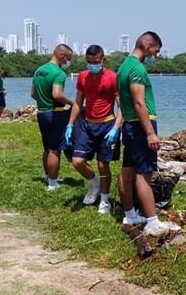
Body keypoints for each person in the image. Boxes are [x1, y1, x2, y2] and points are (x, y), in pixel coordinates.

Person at [117, 31, 179, 236]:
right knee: (145, 174)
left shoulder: (124, 66)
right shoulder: (136, 68)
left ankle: (130, 214)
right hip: (140, 126)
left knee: (127, 170)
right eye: (156, 50)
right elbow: (138, 102)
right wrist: (150, 133)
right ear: (147, 45)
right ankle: (152, 221)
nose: (155, 55)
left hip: (130, 125)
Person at [66, 45, 121, 214]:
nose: (93, 65)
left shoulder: (113, 77)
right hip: (87, 124)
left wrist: (116, 128)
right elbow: (78, 102)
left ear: (103, 60)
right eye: (89, 62)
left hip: (107, 124)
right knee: (77, 161)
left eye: (96, 62)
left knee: (103, 164)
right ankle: (95, 183)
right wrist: (70, 124)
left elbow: (123, 106)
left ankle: (104, 200)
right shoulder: (83, 76)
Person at [30, 44, 74, 191]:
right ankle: (53, 183)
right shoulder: (59, 73)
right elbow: (57, 94)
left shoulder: (39, 70)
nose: (69, 62)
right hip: (55, 113)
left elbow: (33, 94)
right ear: (62, 56)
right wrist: (73, 102)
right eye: (69, 58)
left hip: (42, 112)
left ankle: (49, 176)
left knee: (47, 148)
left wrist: (43, 100)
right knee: (55, 150)